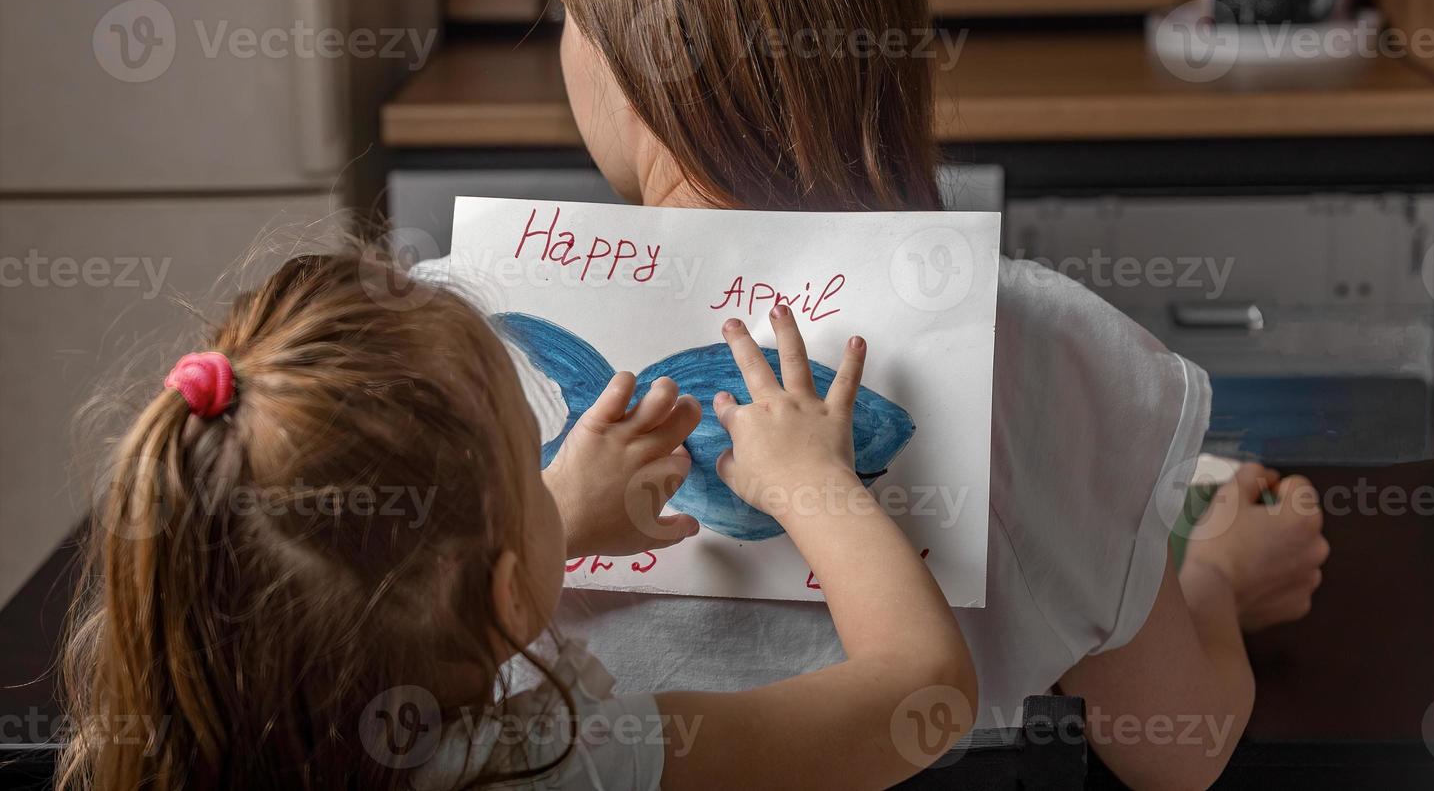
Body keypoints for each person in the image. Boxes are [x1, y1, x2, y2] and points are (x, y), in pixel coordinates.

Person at [493, 0, 1333, 785]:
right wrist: (1215, 579)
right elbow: (1172, 748)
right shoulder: (1050, 345)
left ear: (615, 55)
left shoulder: (442, 344)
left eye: (565, 11)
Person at [58, 251, 977, 790]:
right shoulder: (556, 767)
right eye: (529, 469)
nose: (554, 472)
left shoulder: (173, 746)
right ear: (501, 597)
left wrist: (546, 527)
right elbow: (921, 697)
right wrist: (815, 484)